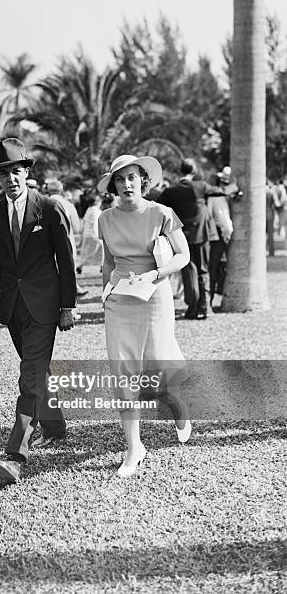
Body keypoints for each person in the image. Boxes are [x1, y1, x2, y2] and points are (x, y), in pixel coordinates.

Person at [0, 138, 76, 485]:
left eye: (16, 171)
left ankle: (15, 456)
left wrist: (68, 306)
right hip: (11, 307)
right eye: (4, 173)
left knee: (29, 377)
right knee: (38, 374)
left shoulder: (50, 208)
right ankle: (54, 427)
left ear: (27, 172)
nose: (11, 178)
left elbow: (66, 262)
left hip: (45, 307)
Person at [97, 154, 191, 478]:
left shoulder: (162, 213)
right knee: (124, 376)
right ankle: (134, 448)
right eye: (120, 179)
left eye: (132, 178)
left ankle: (176, 402)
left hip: (155, 295)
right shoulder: (104, 219)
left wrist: (156, 275)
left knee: (158, 368)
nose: (126, 184)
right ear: (113, 185)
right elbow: (108, 262)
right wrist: (105, 292)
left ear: (143, 180)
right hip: (120, 300)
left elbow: (184, 255)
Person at [159, 158, 237, 319]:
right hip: (201, 235)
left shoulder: (171, 191)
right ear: (193, 171)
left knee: (188, 271)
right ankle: (205, 307)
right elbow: (221, 191)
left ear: (181, 171)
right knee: (203, 270)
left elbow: (158, 208)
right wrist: (235, 186)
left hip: (180, 237)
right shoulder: (200, 186)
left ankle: (192, 308)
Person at [45, 179, 86, 301]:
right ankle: (70, 311)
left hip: (46, 248)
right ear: (61, 190)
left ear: (48, 190)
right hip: (67, 245)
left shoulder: (40, 203)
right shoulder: (68, 204)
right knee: (68, 279)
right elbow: (77, 228)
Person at [208, 167, 234, 309]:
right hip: (218, 235)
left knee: (212, 267)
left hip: (211, 234)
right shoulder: (219, 198)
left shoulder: (211, 196)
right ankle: (210, 299)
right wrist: (227, 235)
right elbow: (225, 222)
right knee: (215, 267)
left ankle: (209, 298)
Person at [77, 192, 103, 274]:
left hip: (87, 234)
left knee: (86, 251)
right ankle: (102, 265)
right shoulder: (97, 211)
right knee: (102, 249)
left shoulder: (88, 210)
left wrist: (82, 234)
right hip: (94, 234)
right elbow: (96, 223)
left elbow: (84, 222)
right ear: (97, 202)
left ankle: (80, 266)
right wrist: (98, 235)